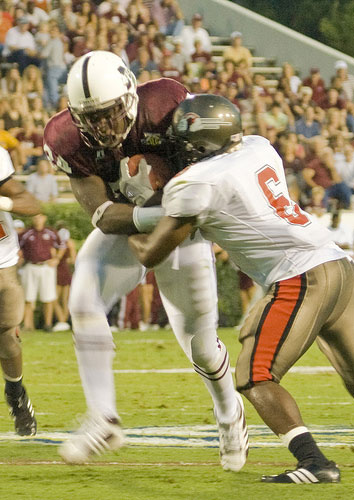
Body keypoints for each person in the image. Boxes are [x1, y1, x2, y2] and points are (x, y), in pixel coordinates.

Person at [128, 94, 354, 484]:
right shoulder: (257, 147)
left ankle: (315, 463)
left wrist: (123, 220)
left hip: (300, 275)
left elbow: (151, 253)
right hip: (339, 266)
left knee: (255, 374)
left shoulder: (198, 181)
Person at [43, 50, 248, 470]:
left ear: (130, 95)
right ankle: (103, 417)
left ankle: (230, 414)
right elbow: (103, 216)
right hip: (129, 225)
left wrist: (182, 212)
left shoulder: (166, 105)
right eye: (91, 117)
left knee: (201, 346)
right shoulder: (63, 138)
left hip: (182, 233)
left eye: (109, 113)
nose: (101, 126)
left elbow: (212, 175)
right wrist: (157, 210)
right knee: (83, 300)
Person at [0, 144, 40, 436]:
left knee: (6, 337)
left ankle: (15, 393)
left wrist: (4, 204)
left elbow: (32, 204)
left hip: (2, 264)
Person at [19, 213, 65, 332]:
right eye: (35, 217)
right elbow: (17, 248)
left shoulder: (51, 233)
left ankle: (47, 324)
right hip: (31, 266)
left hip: (46, 266)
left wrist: (57, 259)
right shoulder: (26, 234)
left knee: (48, 296)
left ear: (44, 218)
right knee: (28, 297)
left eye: (39, 217)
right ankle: (28, 324)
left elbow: (62, 245)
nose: (37, 220)